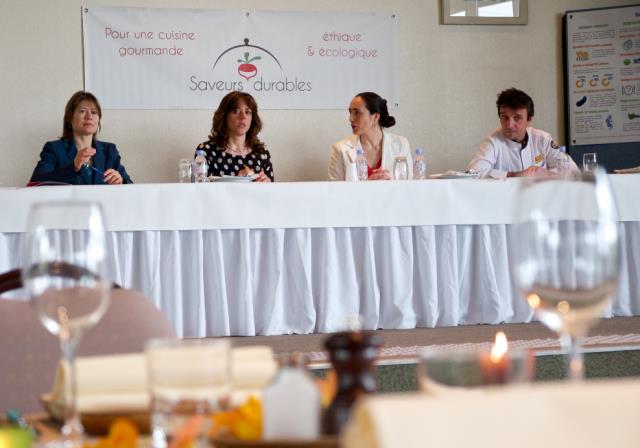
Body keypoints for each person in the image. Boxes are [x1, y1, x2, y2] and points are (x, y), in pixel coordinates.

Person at [466, 88, 578, 178]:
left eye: (517, 118)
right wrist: (514, 175)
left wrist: (544, 173)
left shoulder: (542, 139)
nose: (509, 124)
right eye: (504, 117)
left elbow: (573, 170)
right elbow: (472, 172)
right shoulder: (493, 141)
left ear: (529, 119)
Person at [30, 91, 132, 185]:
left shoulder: (110, 150)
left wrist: (121, 181)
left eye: (94, 112)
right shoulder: (54, 149)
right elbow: (36, 183)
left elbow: (130, 185)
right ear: (70, 118)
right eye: (82, 111)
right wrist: (73, 167)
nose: (89, 117)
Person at [328, 92, 412, 181]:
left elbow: (408, 185)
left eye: (357, 112)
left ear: (375, 117)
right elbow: (334, 191)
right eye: (350, 112)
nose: (350, 118)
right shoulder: (340, 149)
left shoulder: (401, 144)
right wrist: (368, 185)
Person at [195, 91, 273, 182]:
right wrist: (238, 181)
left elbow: (273, 194)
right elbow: (199, 190)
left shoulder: (261, 153)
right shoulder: (205, 151)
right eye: (236, 111)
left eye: (248, 112)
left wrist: (268, 184)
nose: (243, 117)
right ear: (224, 116)